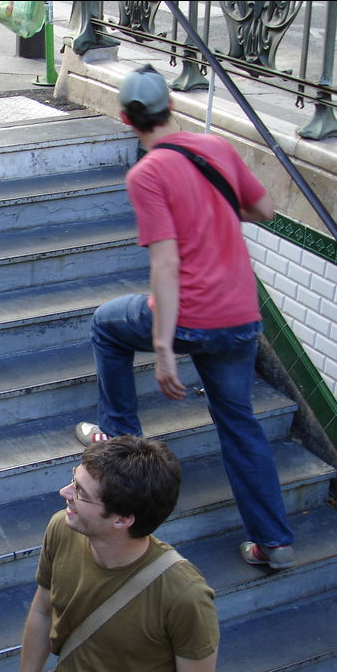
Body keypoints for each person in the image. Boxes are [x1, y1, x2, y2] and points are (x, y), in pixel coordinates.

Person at [75, 63, 296, 570]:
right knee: (239, 423)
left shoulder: (148, 173)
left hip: (193, 317)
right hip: (241, 317)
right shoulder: (217, 149)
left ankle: (119, 444)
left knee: (108, 324)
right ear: (171, 106)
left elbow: (166, 263)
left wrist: (164, 348)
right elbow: (264, 212)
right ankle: (274, 542)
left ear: (126, 119)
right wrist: (211, 213)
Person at [12, 436, 219, 672]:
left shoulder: (183, 595)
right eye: (74, 480)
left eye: (80, 492)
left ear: (122, 519)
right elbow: (42, 611)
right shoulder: (61, 529)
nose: (64, 493)